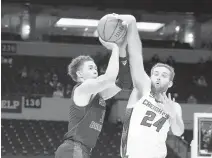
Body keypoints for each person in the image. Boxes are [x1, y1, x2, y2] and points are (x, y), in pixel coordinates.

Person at [55, 18, 131, 158]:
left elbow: (124, 82)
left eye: (95, 67)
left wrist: (122, 48)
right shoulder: (82, 88)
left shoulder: (99, 94)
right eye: (90, 68)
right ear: (79, 74)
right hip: (73, 149)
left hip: (82, 151)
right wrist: (114, 47)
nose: (95, 69)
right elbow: (109, 78)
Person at [115, 14, 185, 158]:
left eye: (164, 75)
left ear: (170, 83)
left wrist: (172, 116)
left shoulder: (174, 106)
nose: (158, 77)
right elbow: (135, 56)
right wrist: (132, 25)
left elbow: (178, 131)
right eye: (155, 74)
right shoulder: (142, 91)